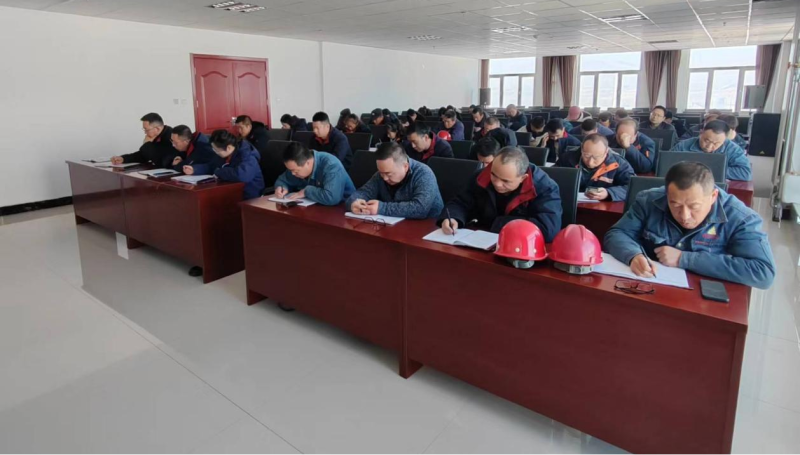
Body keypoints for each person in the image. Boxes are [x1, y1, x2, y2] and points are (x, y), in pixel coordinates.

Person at [604, 161, 775, 289]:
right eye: (676, 205)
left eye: (694, 207)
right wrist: (633, 255)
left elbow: (762, 272)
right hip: (650, 286)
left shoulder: (741, 218)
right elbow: (617, 233)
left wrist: (684, 259)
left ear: (713, 196)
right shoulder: (649, 200)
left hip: (703, 298)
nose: (684, 216)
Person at [438, 147, 562, 240]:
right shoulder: (482, 176)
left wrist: (498, 224)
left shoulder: (545, 188)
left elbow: (548, 228)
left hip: (521, 247)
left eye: (505, 181)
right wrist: (453, 217)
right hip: (481, 240)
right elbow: (460, 202)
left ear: (523, 178)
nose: (497, 183)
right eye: (494, 175)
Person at [346, 142, 444, 219]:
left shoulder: (424, 174)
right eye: (381, 173)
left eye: (389, 174)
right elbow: (363, 192)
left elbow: (420, 209)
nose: (384, 178)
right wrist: (354, 202)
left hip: (427, 228)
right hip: (394, 226)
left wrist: (381, 208)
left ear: (405, 166)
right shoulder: (381, 174)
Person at [183, 129, 265, 200]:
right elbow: (212, 166)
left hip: (249, 195)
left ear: (228, 148)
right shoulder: (224, 153)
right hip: (230, 190)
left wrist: (219, 171)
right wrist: (194, 169)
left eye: (217, 150)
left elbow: (242, 175)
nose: (216, 152)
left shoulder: (247, 154)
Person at [555, 133, 634, 202]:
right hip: (570, 203)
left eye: (596, 157)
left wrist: (608, 193)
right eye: (586, 156)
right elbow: (553, 179)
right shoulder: (567, 158)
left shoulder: (619, 164)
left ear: (606, 152)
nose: (590, 162)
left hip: (602, 208)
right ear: (582, 148)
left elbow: (632, 188)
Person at [273, 141, 355, 206]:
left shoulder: (331, 165)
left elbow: (332, 197)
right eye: (290, 170)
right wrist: (281, 187)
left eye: (296, 171)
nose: (293, 174)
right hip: (315, 206)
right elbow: (282, 180)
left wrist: (306, 191)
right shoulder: (296, 164)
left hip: (343, 208)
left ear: (307, 163)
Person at [671, 120, 752, 181]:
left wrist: (707, 170)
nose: (709, 146)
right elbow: (667, 165)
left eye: (716, 143)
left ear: (725, 140)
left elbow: (745, 173)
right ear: (701, 133)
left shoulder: (732, 149)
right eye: (706, 140)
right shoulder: (683, 145)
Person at [111, 113, 176, 167]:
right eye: (144, 129)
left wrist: (147, 144)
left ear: (157, 129)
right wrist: (123, 159)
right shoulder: (157, 135)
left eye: (146, 129)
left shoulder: (171, 137)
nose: (145, 132)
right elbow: (144, 155)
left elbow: (162, 161)